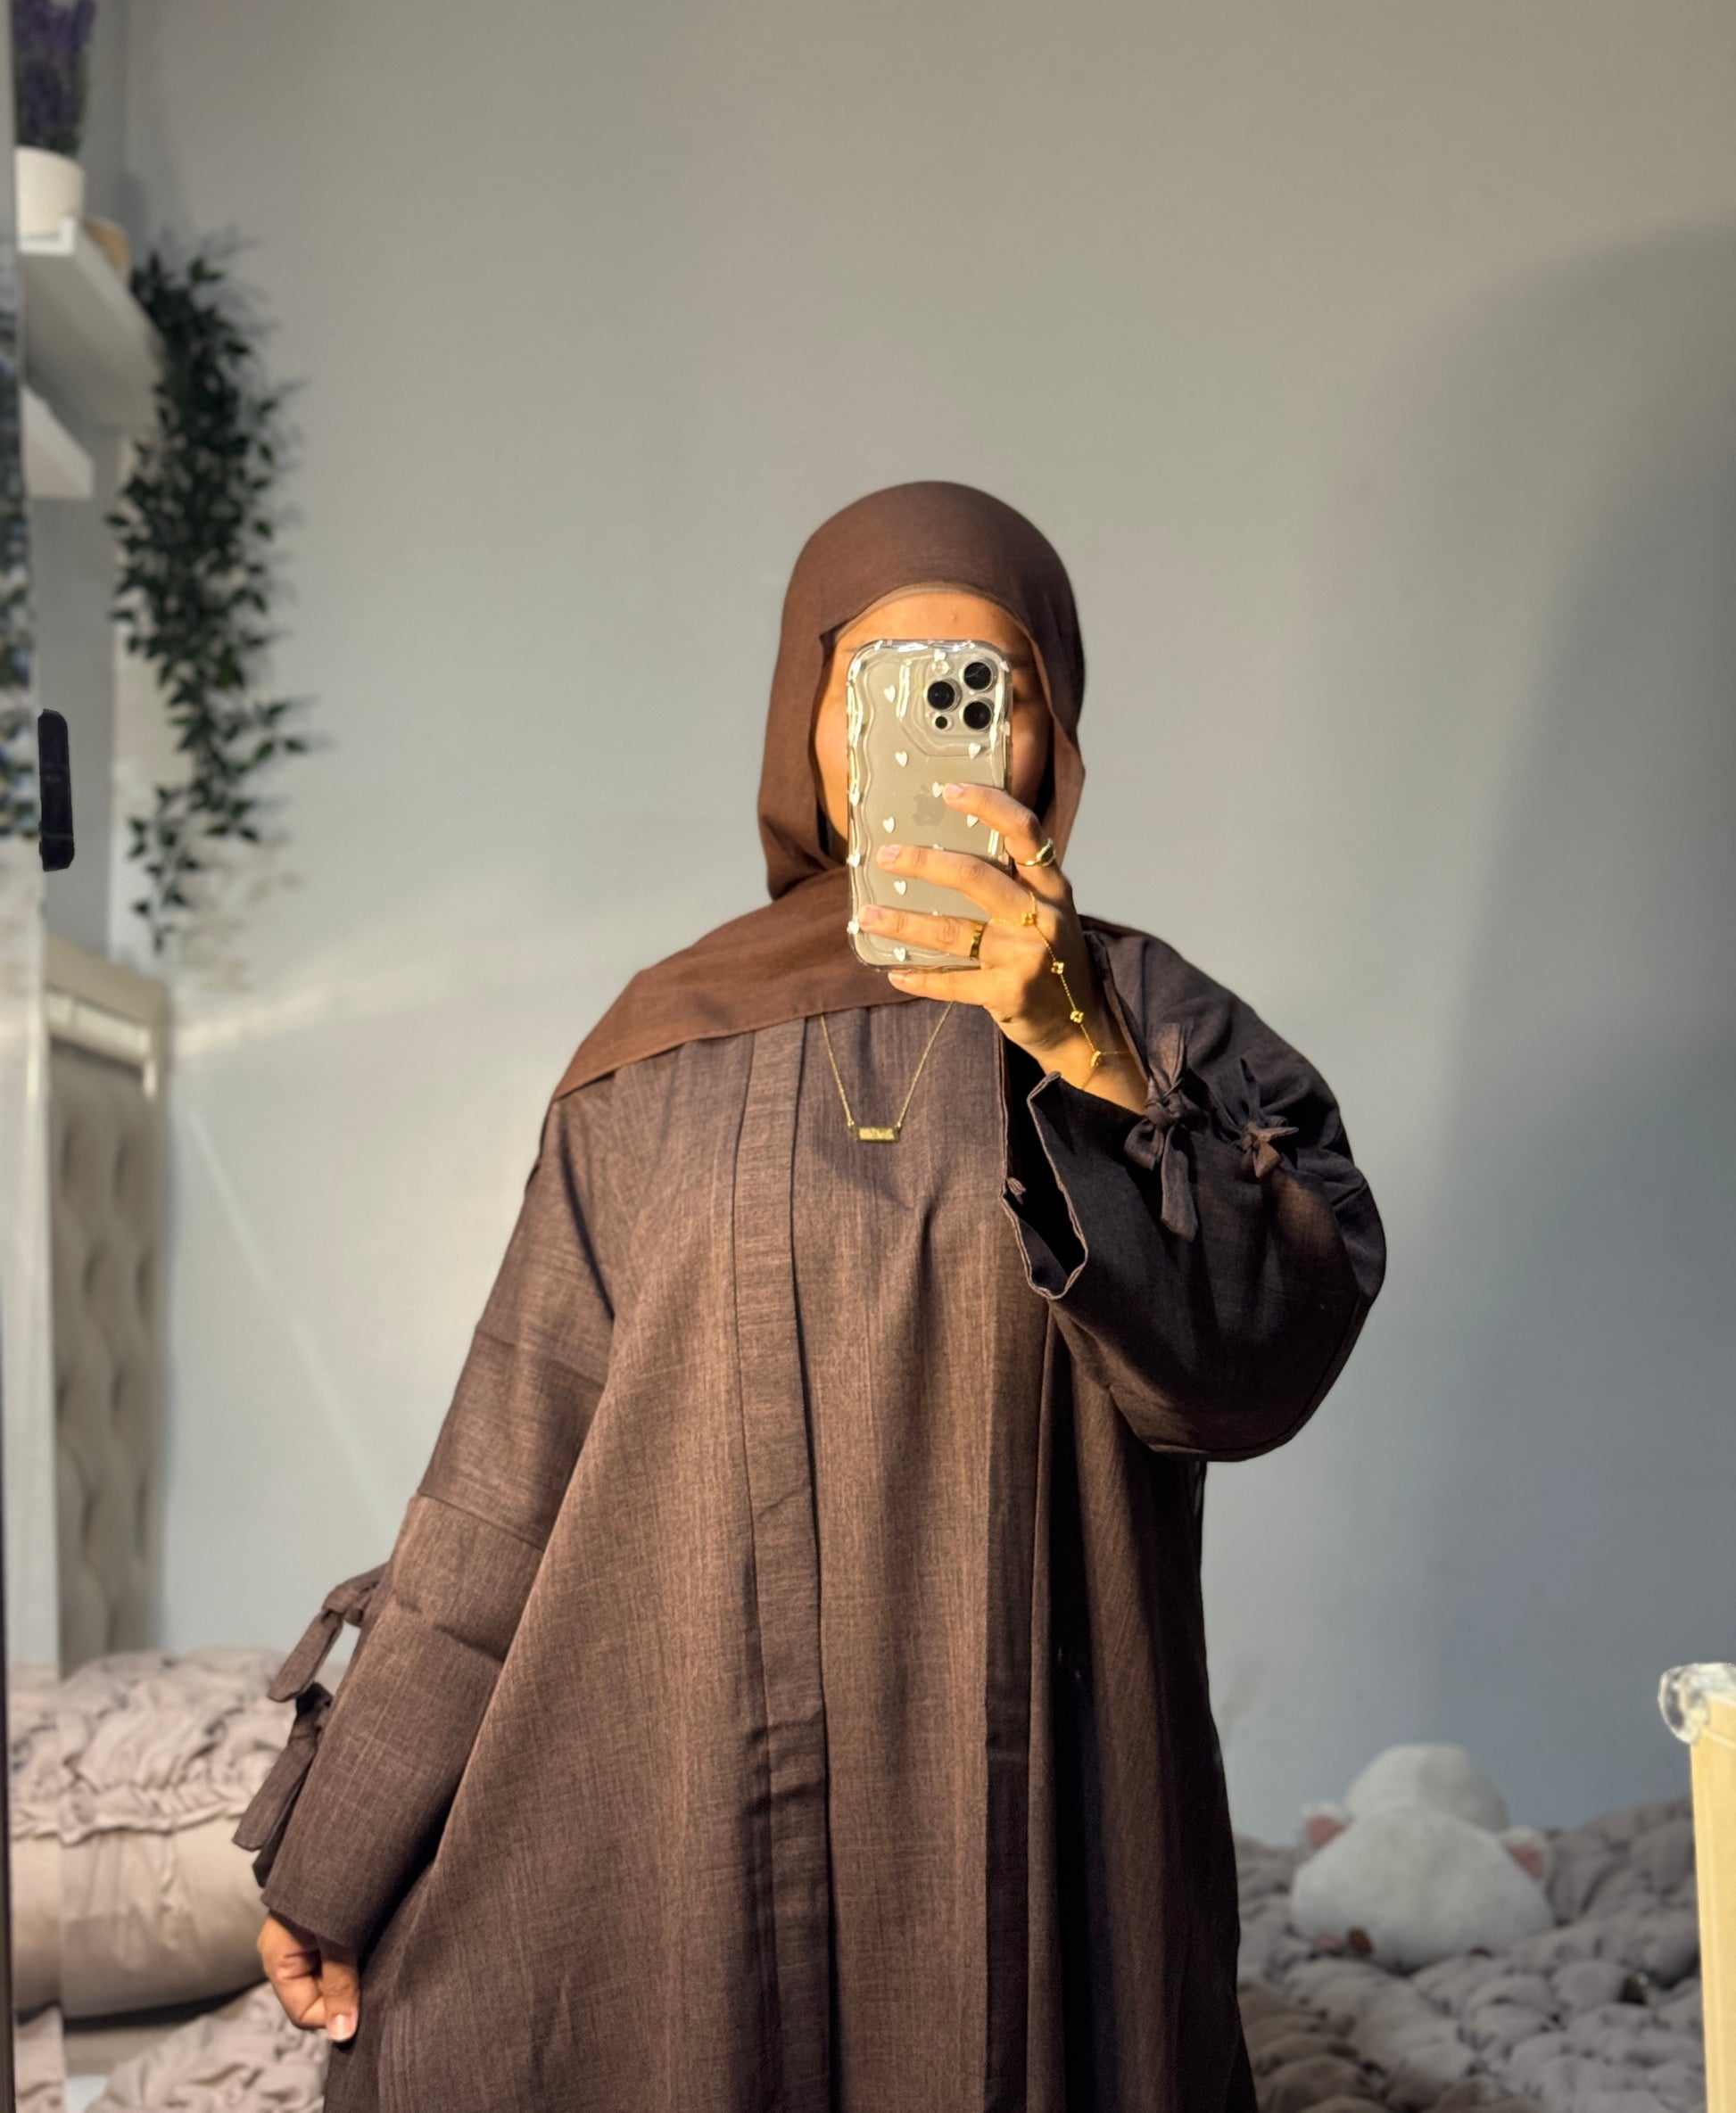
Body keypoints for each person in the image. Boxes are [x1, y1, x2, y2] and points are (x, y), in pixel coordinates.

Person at [239, 481, 1385, 2112]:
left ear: (1048, 738)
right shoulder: (657, 1048)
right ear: (811, 723)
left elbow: (1256, 1367)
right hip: (694, 1836)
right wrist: (335, 1863)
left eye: (983, 688)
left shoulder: (1154, 1021)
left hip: (1053, 1837)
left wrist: (1077, 1044)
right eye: (879, 683)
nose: (932, 729)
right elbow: (506, 1485)